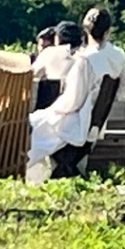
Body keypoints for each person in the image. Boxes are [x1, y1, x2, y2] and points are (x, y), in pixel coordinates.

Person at [25, 21, 92, 184]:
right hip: (84, 120)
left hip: (55, 117)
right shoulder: (87, 57)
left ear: (57, 39)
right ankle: (65, 168)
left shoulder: (51, 53)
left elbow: (31, 75)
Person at [31, 22, 76, 110]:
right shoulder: (85, 57)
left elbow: (32, 75)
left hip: (47, 112)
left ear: (58, 38)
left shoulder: (49, 53)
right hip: (75, 112)